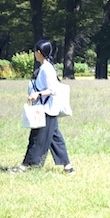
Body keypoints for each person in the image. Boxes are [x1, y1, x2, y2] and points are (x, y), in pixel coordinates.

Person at [11, 39, 74, 174]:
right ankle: (68, 167)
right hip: (48, 110)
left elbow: (53, 89)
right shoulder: (46, 67)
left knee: (35, 139)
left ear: (39, 53)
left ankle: (24, 167)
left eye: (35, 51)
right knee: (55, 139)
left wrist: (37, 94)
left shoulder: (47, 69)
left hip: (46, 110)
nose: (34, 53)